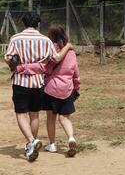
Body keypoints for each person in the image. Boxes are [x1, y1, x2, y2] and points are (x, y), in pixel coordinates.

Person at [4, 12, 73, 162]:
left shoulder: (15, 38)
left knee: (21, 114)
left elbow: (8, 58)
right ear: (38, 24)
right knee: (34, 115)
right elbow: (55, 58)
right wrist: (67, 47)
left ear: (23, 23)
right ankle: (31, 144)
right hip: (38, 82)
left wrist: (18, 64)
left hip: (21, 81)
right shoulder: (45, 40)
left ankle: (32, 141)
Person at [16, 24, 80, 157]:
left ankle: (52, 144)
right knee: (64, 118)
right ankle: (71, 138)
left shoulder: (51, 49)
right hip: (67, 88)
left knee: (51, 118)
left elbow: (47, 69)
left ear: (51, 36)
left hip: (51, 88)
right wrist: (76, 87)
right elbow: (76, 73)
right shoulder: (72, 52)